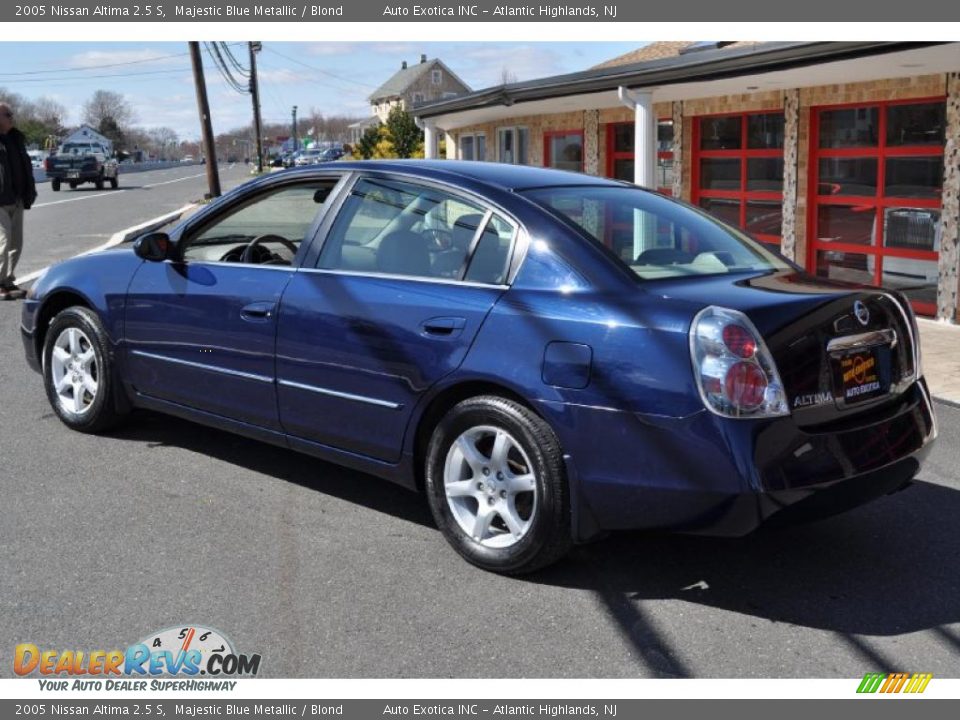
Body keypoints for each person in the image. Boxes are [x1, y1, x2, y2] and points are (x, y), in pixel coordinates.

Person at [0, 101, 38, 301]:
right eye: (9, 114)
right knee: (3, 242)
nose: (12, 117)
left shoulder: (16, 139)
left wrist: (29, 192)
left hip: (17, 198)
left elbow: (26, 167)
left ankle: (7, 281)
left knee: (16, 243)